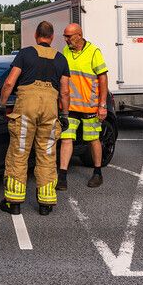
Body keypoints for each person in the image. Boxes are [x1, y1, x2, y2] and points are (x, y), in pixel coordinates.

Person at [0, 21, 70, 216]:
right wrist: (64, 115)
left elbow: (10, 82)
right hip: (50, 110)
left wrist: (2, 104)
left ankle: (14, 202)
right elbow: (65, 92)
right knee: (47, 155)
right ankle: (46, 203)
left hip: (26, 109)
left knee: (19, 153)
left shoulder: (25, 54)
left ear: (36, 35)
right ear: (52, 37)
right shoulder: (61, 59)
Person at [57, 23, 109, 190]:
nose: (66, 40)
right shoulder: (65, 52)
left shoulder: (94, 52)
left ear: (79, 35)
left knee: (93, 139)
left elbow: (103, 79)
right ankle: (62, 176)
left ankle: (97, 173)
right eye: (65, 36)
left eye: (69, 36)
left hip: (89, 106)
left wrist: (102, 105)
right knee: (66, 139)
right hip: (70, 107)